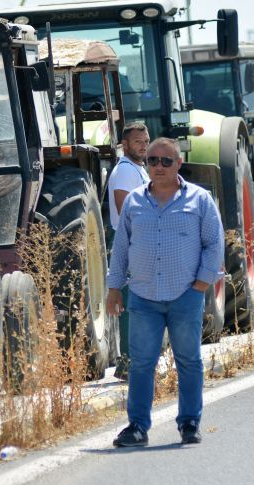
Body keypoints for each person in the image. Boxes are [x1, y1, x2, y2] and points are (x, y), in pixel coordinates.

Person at [106, 138, 224, 447]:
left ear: (179, 164)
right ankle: (138, 427)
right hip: (143, 297)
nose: (158, 166)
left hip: (185, 295)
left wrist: (202, 283)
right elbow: (120, 249)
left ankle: (189, 423)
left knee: (188, 360)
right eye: (152, 160)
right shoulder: (133, 202)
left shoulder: (199, 200)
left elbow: (214, 243)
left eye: (165, 161)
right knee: (142, 363)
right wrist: (113, 288)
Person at [106, 122, 150, 380]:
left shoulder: (139, 169)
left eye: (145, 140)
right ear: (125, 145)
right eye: (137, 142)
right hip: (130, 240)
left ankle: (136, 362)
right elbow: (125, 210)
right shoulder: (124, 171)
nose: (143, 145)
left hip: (138, 240)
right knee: (130, 305)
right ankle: (127, 364)